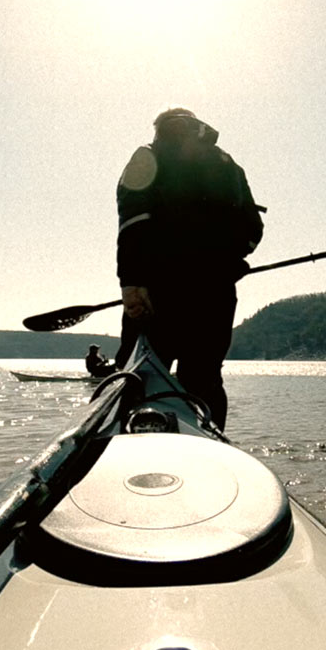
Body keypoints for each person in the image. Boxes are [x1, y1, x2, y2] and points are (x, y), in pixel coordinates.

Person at [114, 107, 264, 429]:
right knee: (205, 378)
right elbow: (253, 228)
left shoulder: (148, 157)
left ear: (159, 129)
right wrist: (232, 262)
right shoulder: (228, 166)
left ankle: (115, 449)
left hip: (157, 291)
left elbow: (133, 221)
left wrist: (131, 281)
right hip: (215, 293)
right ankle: (209, 446)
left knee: (135, 375)